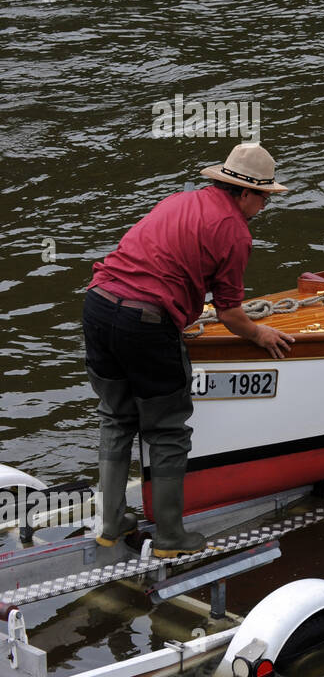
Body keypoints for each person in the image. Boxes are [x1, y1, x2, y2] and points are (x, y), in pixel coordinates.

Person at [82, 143, 295, 557]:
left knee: (115, 417)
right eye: (265, 196)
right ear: (245, 193)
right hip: (145, 322)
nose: (266, 205)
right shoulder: (234, 231)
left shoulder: (178, 201)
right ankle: (170, 538)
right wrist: (260, 335)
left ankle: (110, 525)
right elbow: (232, 315)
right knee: (165, 431)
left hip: (98, 304)